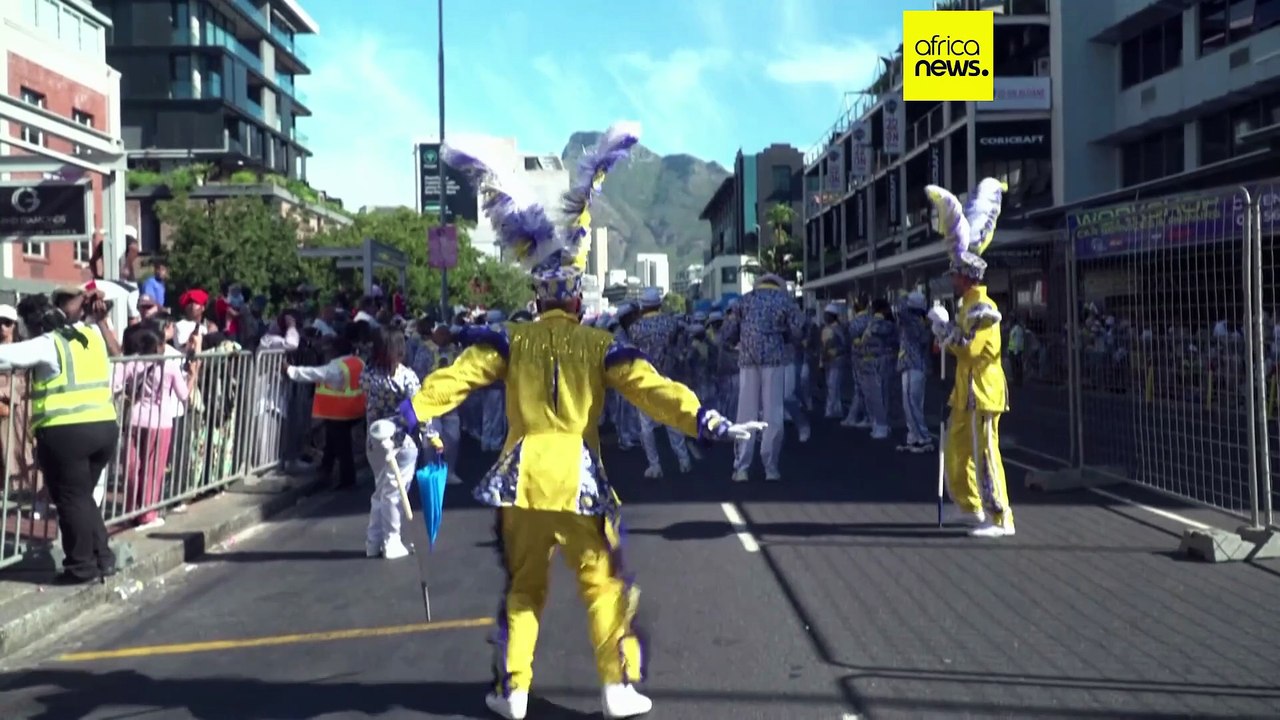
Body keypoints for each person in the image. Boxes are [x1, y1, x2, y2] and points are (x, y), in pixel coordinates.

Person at [401, 124, 759, 720]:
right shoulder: (598, 346)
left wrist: (411, 411)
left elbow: (456, 377)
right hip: (577, 480)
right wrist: (711, 422)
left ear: (539, 299)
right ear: (575, 300)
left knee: (523, 588)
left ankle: (512, 690)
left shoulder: (510, 340)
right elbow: (653, 389)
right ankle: (617, 687)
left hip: (519, 482)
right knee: (603, 585)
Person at [0, 284, 122, 584]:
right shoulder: (88, 336)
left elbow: (5, 357)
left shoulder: (47, 343)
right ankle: (103, 558)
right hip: (105, 426)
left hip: (68, 432)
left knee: (71, 500)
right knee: (81, 497)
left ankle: (80, 567)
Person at [925, 178, 1015, 539]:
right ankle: (973, 505)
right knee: (957, 450)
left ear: (967, 277)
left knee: (986, 453)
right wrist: (942, 332)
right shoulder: (966, 306)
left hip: (983, 389)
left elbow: (971, 348)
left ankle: (1000, 517)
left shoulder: (983, 308)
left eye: (955, 274)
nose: (952, 279)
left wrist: (946, 332)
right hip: (964, 392)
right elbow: (954, 344)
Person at [720, 273, 806, 483]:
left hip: (748, 360)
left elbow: (729, 331)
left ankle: (741, 467)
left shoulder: (744, 300)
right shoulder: (785, 301)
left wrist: (732, 344)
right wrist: (786, 338)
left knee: (746, 413)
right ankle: (771, 467)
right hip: (774, 360)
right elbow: (798, 330)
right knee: (773, 413)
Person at [113, 324, 199, 529]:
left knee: (132, 467)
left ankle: (132, 509)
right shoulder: (169, 366)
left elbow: (115, 386)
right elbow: (184, 395)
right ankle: (148, 514)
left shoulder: (131, 362)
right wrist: (194, 374)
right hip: (160, 422)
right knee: (153, 469)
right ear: (157, 346)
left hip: (134, 418)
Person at [360, 327, 420, 559]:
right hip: (400, 438)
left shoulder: (368, 375)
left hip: (374, 437)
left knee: (381, 490)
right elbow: (416, 409)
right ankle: (392, 540)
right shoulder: (405, 377)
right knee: (395, 492)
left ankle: (373, 541)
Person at [627, 287, 694, 478]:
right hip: (668, 377)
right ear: (659, 304)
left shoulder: (635, 328)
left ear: (643, 306)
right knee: (673, 422)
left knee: (646, 427)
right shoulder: (670, 323)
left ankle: (655, 466)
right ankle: (684, 461)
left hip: (645, 381)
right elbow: (682, 342)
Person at [286, 330, 365, 491]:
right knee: (332, 441)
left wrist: (289, 370)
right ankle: (326, 468)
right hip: (355, 409)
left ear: (335, 351)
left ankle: (347, 479)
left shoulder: (336, 367)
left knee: (343, 447)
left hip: (339, 413)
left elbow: (314, 374)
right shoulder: (358, 362)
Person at [896, 291, 935, 453]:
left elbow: (900, 309)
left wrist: (904, 297)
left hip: (914, 366)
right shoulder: (920, 321)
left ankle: (923, 437)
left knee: (911, 404)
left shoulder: (913, 321)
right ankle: (913, 437)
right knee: (912, 404)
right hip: (914, 366)